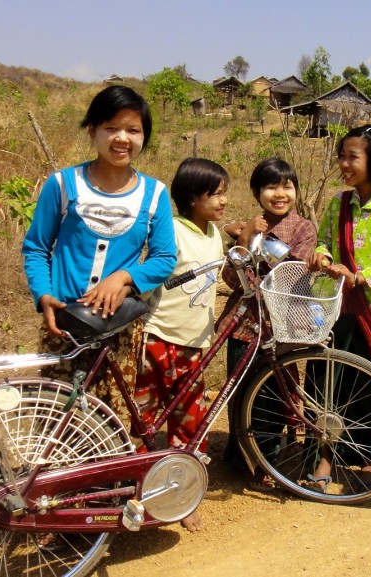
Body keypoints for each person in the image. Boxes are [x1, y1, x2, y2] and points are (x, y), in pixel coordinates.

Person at [22, 85, 176, 429]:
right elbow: (35, 247)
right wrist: (44, 296)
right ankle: (52, 482)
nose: (122, 138)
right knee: (55, 417)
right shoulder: (62, 184)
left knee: (111, 421)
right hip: (63, 325)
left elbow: (165, 257)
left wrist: (125, 278)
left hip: (119, 329)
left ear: (144, 137)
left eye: (133, 130)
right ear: (93, 131)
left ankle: (105, 483)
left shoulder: (154, 194)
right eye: (111, 128)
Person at [305, 124, 371, 492]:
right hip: (334, 309)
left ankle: (368, 460)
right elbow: (322, 241)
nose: (344, 163)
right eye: (342, 155)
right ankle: (322, 456)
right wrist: (320, 255)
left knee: (367, 385)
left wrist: (360, 277)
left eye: (353, 156)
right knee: (325, 383)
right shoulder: (338, 202)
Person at [134, 157, 227, 532]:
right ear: (191, 198)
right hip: (157, 340)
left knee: (191, 424)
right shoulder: (171, 231)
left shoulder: (215, 234)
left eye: (224, 193)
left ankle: (183, 498)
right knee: (142, 423)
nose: (223, 201)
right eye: (215, 194)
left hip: (194, 346)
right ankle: (136, 494)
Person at [218, 158, 317, 491]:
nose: (280, 193)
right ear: (257, 192)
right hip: (245, 322)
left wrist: (260, 243)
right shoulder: (248, 226)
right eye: (271, 186)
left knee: (277, 392)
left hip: (282, 322)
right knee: (241, 389)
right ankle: (242, 455)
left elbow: (291, 276)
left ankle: (271, 458)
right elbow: (233, 279)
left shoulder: (304, 228)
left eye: (287, 186)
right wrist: (245, 235)